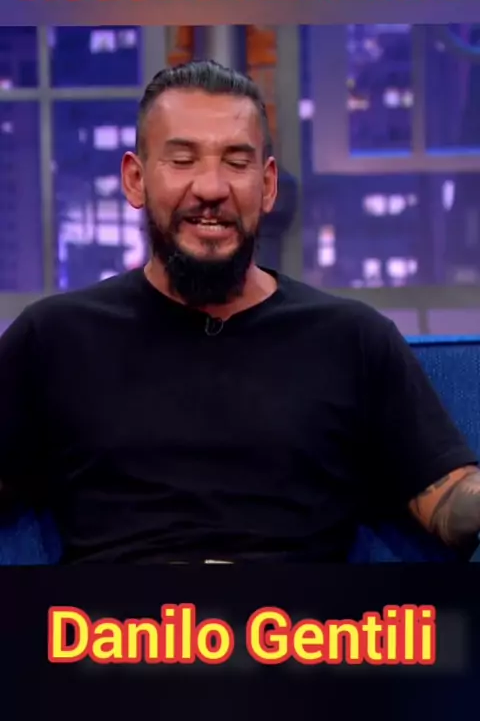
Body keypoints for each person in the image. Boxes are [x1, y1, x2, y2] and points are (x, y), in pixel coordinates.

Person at [0, 60, 479, 565]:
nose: (211, 188)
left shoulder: (351, 338)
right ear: (135, 179)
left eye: (236, 162)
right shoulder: (56, 337)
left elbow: (449, 501)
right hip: (118, 613)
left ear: (267, 186)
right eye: (182, 160)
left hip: (296, 614)